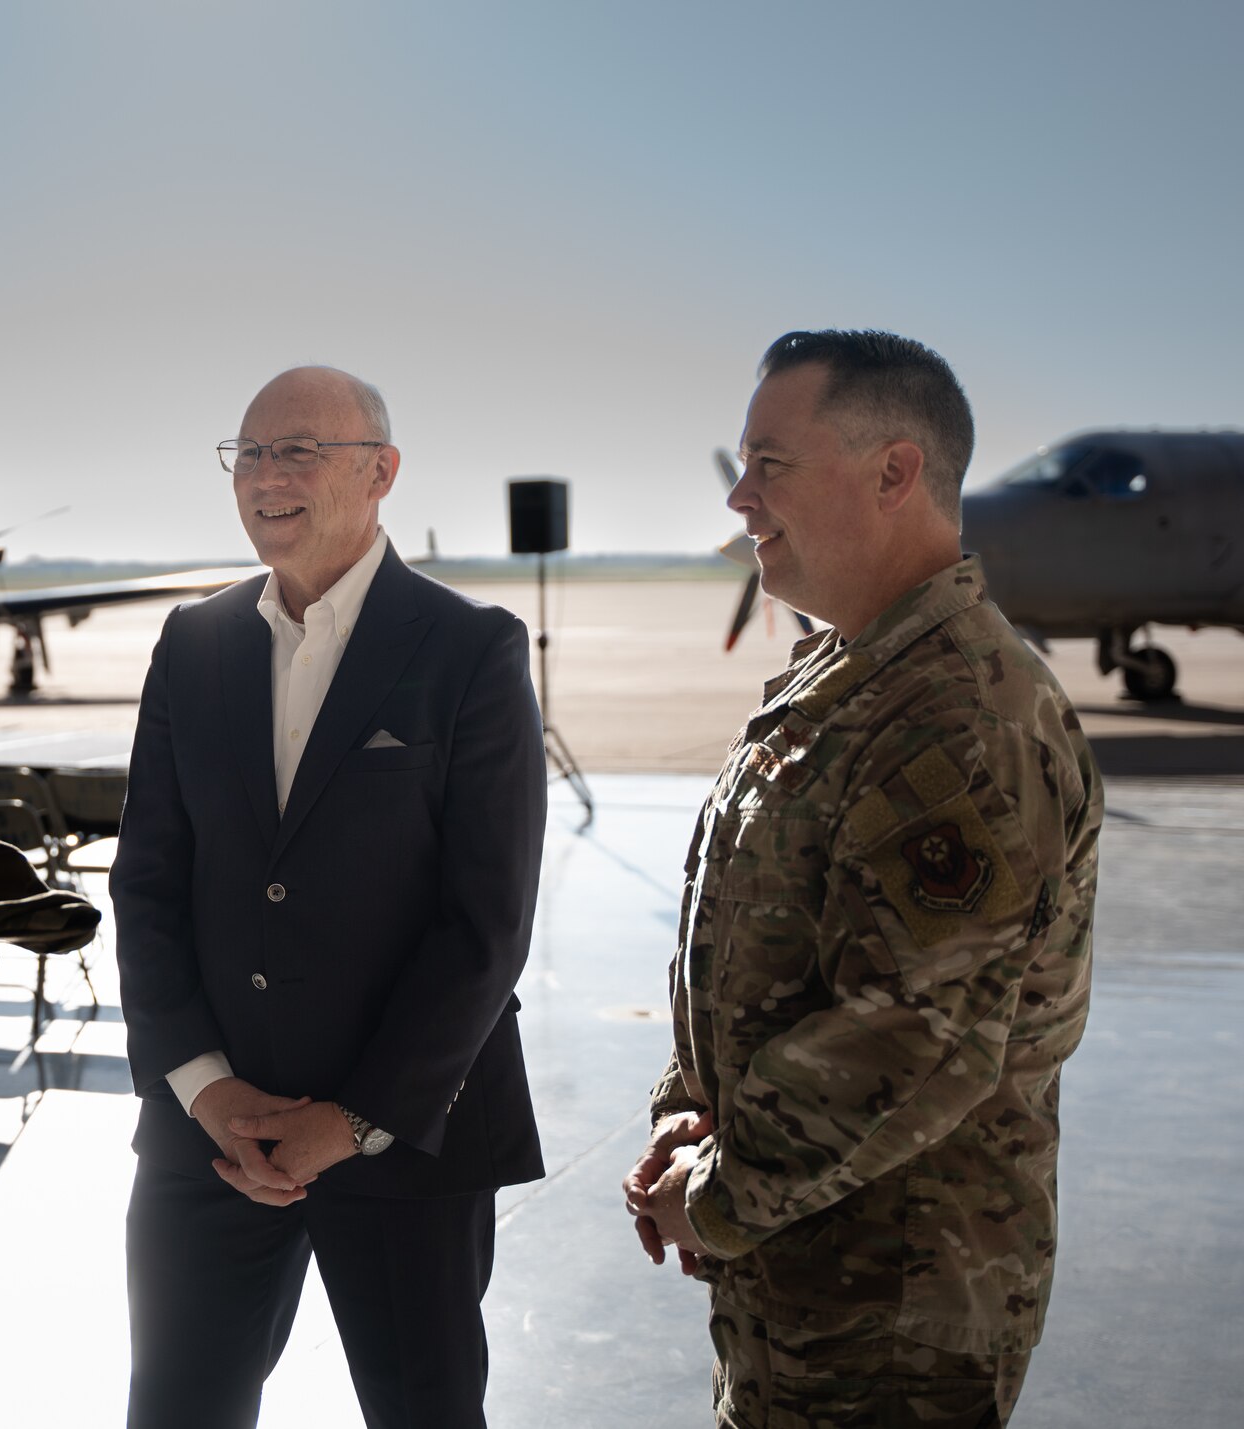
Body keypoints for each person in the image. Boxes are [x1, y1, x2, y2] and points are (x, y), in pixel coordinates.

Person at [623, 330, 1101, 1427]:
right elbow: (757, 949)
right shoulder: (848, 677)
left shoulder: (958, 716)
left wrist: (716, 1192)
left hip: (891, 1315)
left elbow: (911, 1036)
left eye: (769, 463)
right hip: (807, 1276)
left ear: (893, 473)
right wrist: (684, 1107)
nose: (739, 497)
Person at [112, 366, 548, 1428]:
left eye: (297, 450)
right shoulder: (192, 642)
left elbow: (483, 925)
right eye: (248, 453)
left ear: (380, 472)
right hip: (211, 1133)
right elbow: (148, 879)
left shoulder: (469, 650)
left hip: (405, 1131)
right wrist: (205, 1089)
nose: (265, 476)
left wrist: (351, 1122)